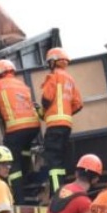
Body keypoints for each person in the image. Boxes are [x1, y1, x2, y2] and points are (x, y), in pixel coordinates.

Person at [0, 59, 40, 189]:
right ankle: (28, 179)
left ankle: (18, 194)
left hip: (16, 129)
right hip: (33, 127)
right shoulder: (22, 85)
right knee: (25, 152)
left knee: (12, 160)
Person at [40, 47, 83, 193]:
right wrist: (65, 113)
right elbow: (78, 104)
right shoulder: (70, 80)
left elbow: (46, 98)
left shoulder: (53, 77)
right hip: (66, 126)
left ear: (54, 62)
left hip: (54, 127)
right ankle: (61, 191)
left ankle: (56, 195)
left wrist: (44, 111)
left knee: (53, 162)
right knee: (60, 161)